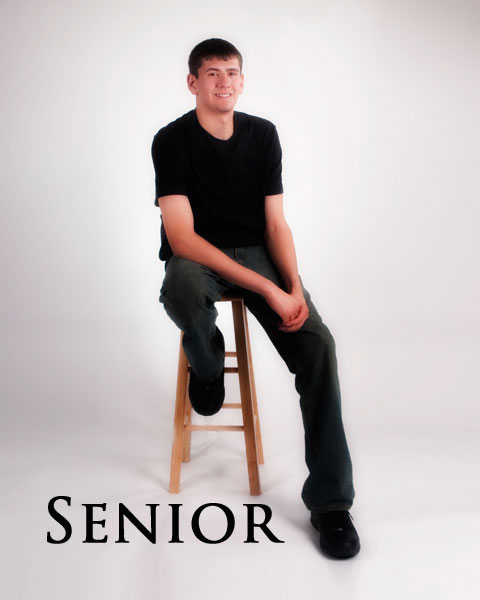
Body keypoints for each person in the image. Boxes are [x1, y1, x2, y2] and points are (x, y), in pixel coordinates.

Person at [151, 38, 361, 559]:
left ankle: (332, 503)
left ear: (243, 81)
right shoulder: (171, 140)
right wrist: (264, 287)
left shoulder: (263, 134)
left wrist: (292, 285)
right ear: (192, 82)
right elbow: (182, 238)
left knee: (318, 345)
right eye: (212, 73)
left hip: (257, 251)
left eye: (232, 72)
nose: (224, 81)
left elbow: (275, 224)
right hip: (199, 254)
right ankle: (206, 365)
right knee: (181, 288)